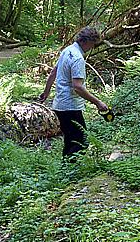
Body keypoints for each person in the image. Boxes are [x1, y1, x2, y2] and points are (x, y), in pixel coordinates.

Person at [39, 27, 108, 159]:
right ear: (86, 42)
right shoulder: (77, 58)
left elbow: (53, 72)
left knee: (70, 141)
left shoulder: (68, 50)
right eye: (93, 44)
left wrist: (46, 92)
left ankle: (64, 171)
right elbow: (78, 87)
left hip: (60, 104)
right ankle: (71, 173)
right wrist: (98, 102)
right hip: (70, 106)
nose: (92, 48)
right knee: (81, 142)